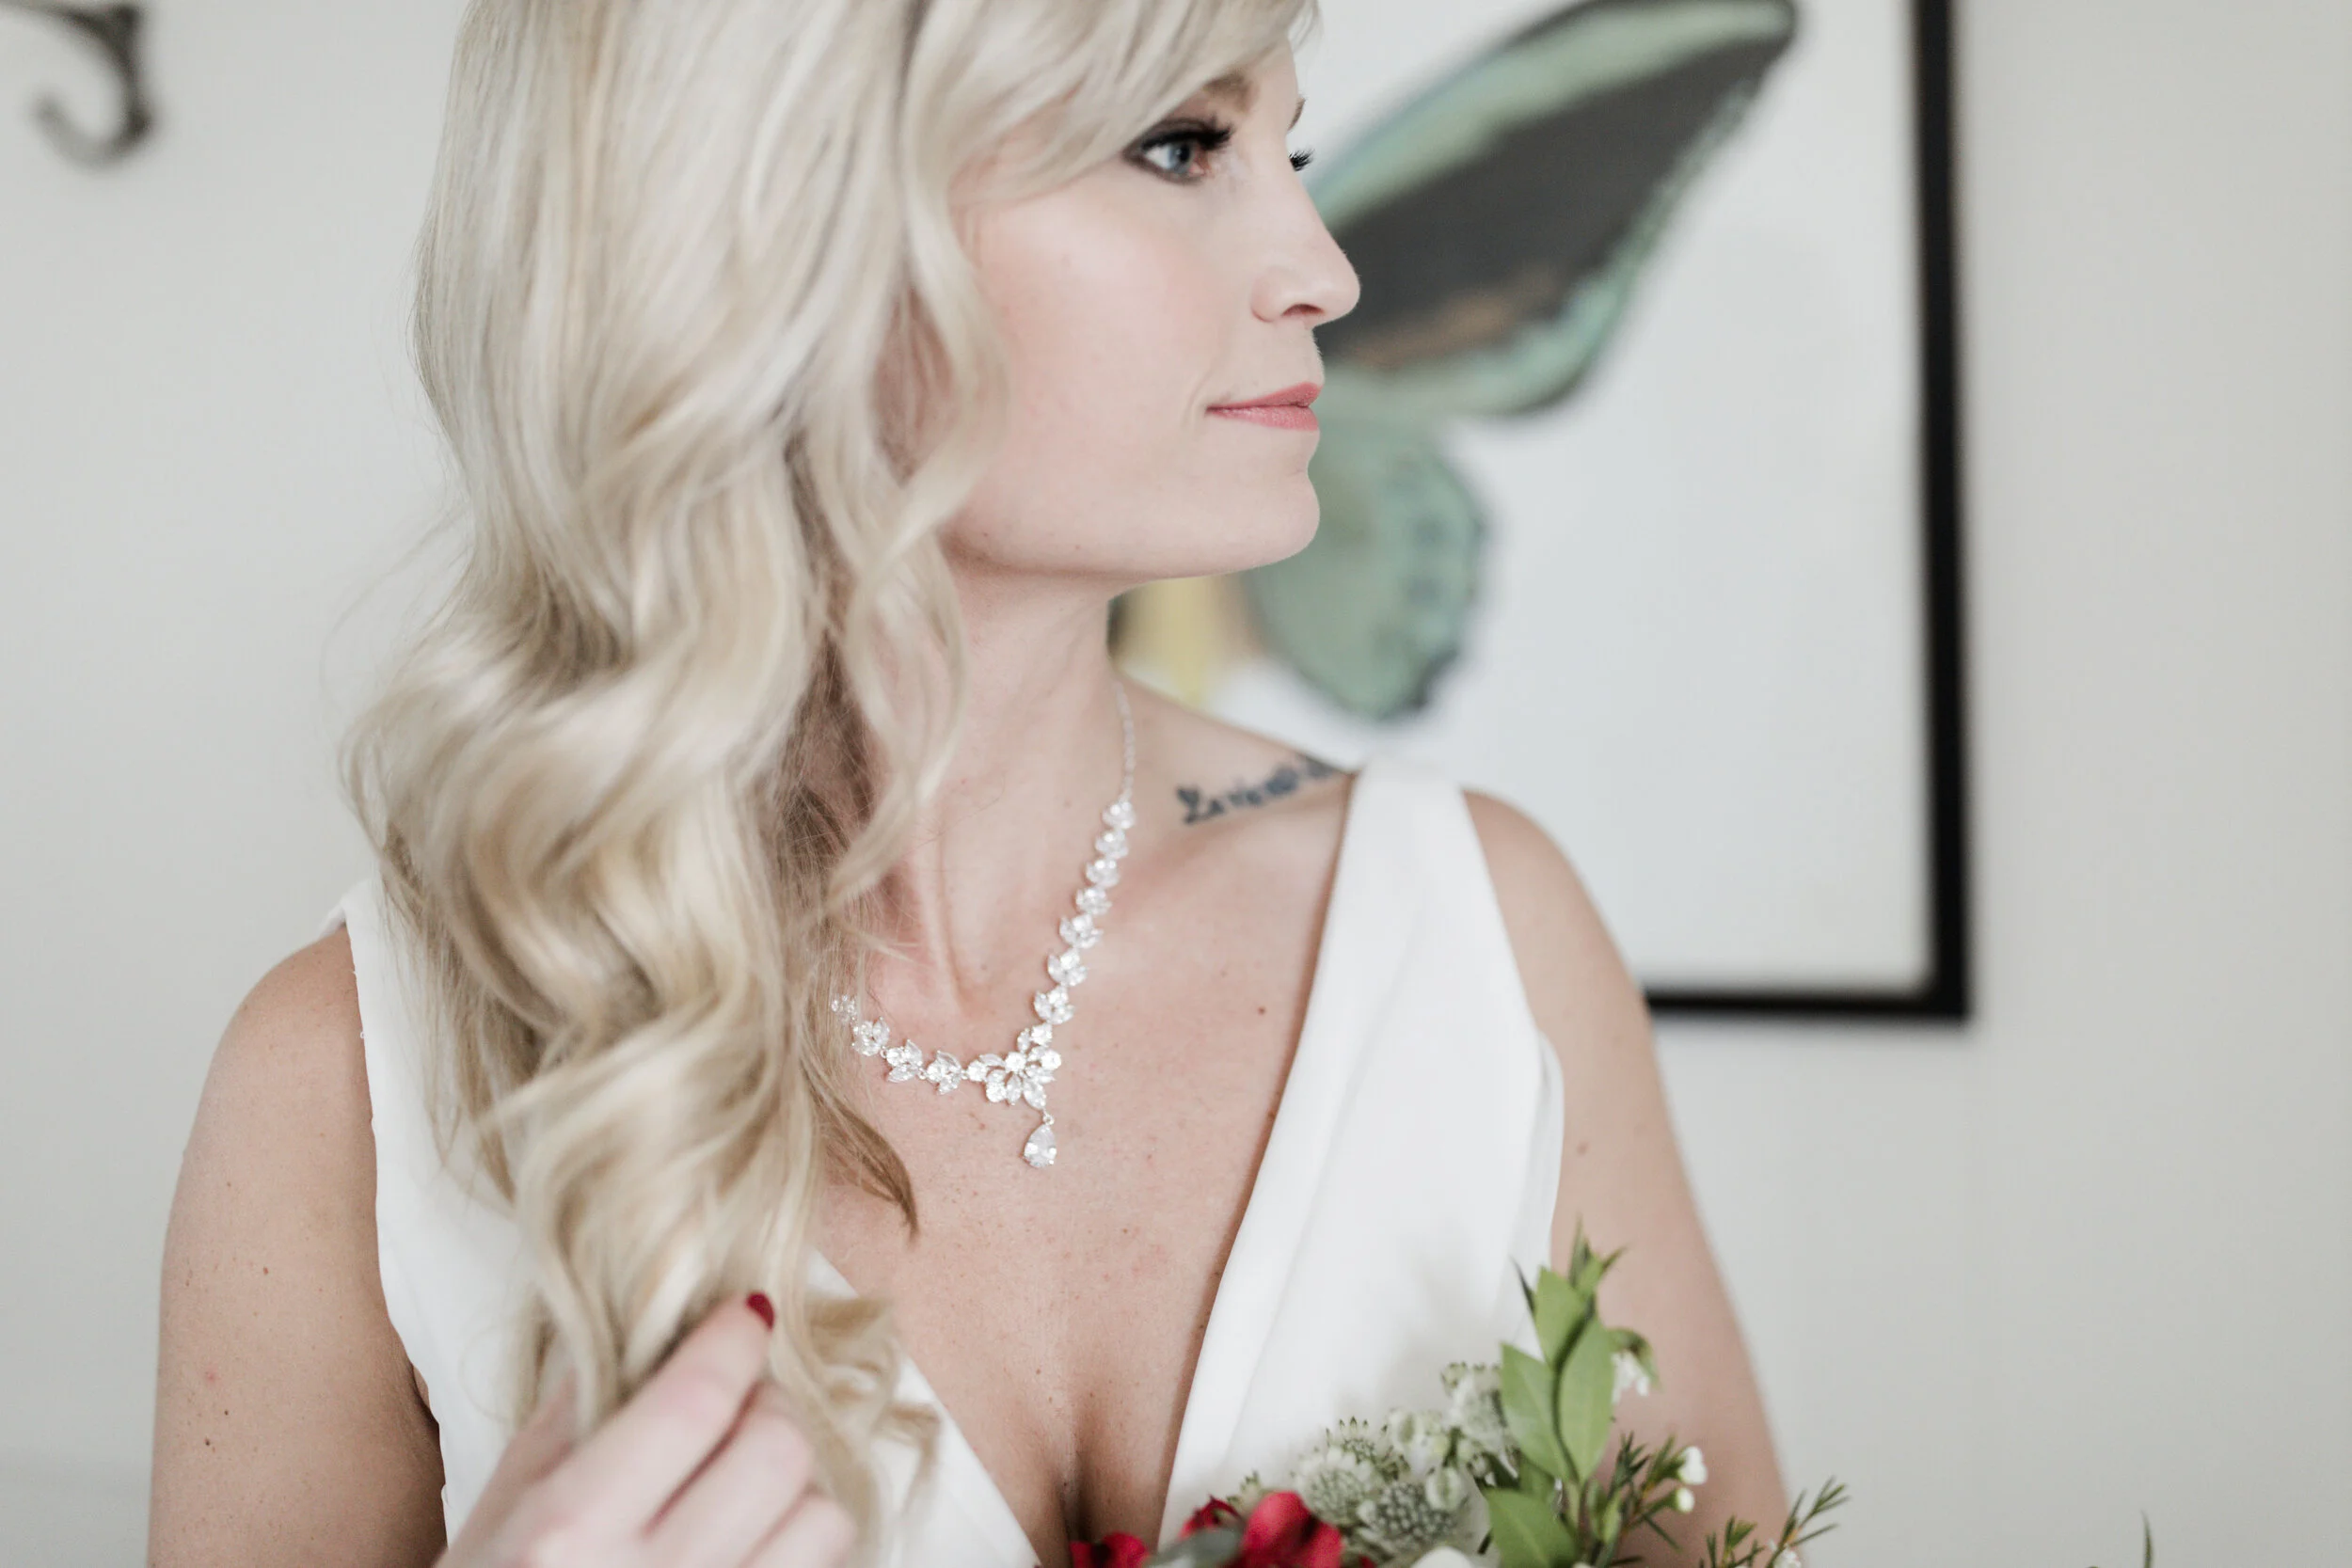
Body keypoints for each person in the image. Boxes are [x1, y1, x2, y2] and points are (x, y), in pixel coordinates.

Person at [148, 1, 1786, 1564]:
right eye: (1181, 145)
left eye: (1289, 148)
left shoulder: (1482, 944)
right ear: (786, 214)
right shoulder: (352, 1092)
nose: (1323, 268)